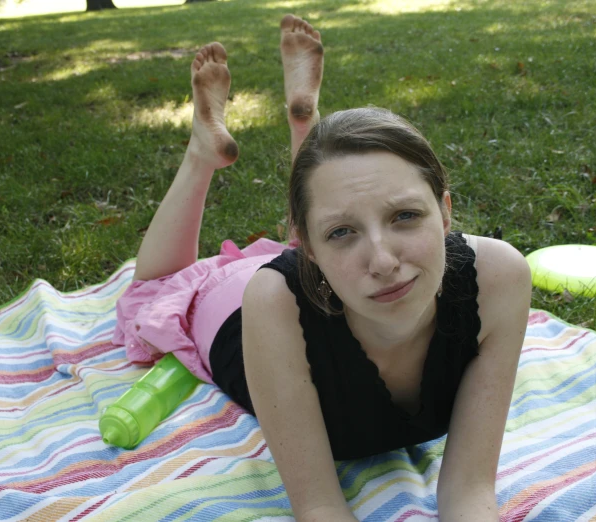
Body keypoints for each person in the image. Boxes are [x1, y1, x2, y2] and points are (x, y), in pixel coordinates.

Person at [112, 14, 531, 522]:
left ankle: (306, 133)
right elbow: (319, 508)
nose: (384, 262)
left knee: (332, 206)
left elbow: (468, 490)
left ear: (444, 211)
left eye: (405, 216)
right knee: (158, 289)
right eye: (342, 233)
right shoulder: (272, 303)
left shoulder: (497, 279)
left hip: (325, 276)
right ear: (304, 248)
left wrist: (339, 234)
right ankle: (202, 152)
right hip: (242, 308)